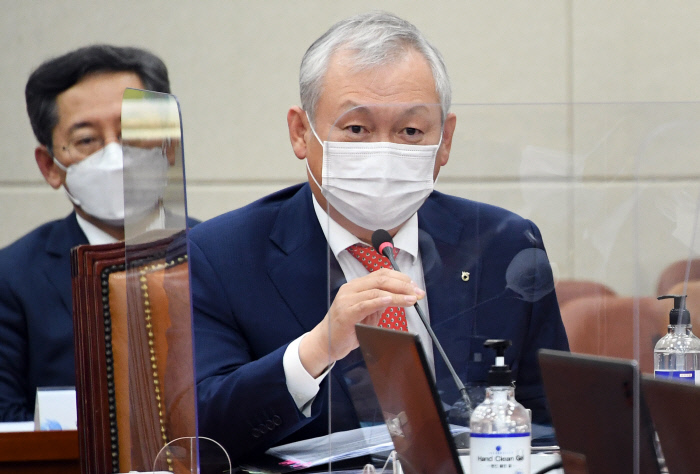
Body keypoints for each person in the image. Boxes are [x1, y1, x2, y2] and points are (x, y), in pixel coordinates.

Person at [190, 11, 569, 464]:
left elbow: (553, 426)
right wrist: (317, 349)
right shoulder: (221, 255)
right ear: (300, 132)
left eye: (411, 131)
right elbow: (199, 435)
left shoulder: (504, 244)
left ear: (445, 140)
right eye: (356, 129)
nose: (383, 150)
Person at [0, 45, 185, 421]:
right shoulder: (12, 278)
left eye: (131, 132)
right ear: (50, 167)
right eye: (87, 140)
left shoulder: (222, 253)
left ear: (168, 146)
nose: (115, 157)